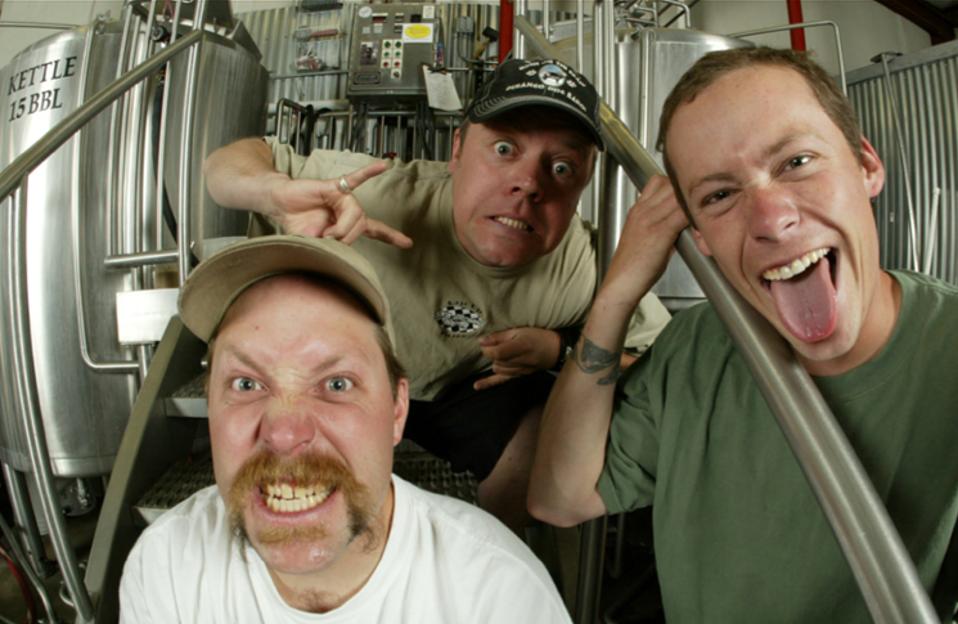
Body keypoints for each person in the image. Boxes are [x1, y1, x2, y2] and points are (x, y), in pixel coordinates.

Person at [528, 46, 958, 622]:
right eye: (720, 195)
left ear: (866, 166)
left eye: (797, 162)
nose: (771, 219)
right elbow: (559, 498)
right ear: (698, 236)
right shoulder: (698, 348)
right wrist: (616, 294)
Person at [203, 58, 671, 528]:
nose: (529, 183)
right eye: (505, 148)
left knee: (544, 434)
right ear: (458, 150)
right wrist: (271, 191)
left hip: (458, 392)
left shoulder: (582, 264)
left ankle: (491, 563)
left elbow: (657, 368)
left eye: (562, 167)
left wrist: (557, 350)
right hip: (356, 377)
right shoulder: (375, 194)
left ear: (583, 187)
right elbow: (228, 164)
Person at [118, 235, 573, 623]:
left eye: (336, 383)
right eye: (247, 383)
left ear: (397, 410)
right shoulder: (166, 568)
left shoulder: (499, 595)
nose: (284, 432)